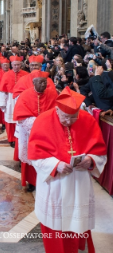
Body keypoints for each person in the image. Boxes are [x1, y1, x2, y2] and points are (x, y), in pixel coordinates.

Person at [28, 87, 107, 253]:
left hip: (79, 182)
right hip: (55, 182)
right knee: (56, 226)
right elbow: (35, 155)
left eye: (73, 117)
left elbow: (100, 151)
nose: (69, 122)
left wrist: (90, 160)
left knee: (78, 222)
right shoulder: (43, 121)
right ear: (57, 109)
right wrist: (56, 165)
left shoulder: (87, 119)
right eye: (65, 117)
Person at [13, 71, 58, 192]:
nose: (43, 85)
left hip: (48, 133)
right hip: (29, 133)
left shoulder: (52, 94)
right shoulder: (25, 95)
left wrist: (45, 123)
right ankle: (32, 182)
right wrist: (38, 123)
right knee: (30, 157)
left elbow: (57, 112)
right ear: (33, 83)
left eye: (45, 82)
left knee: (46, 158)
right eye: (40, 82)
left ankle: (46, 180)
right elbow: (21, 117)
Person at [0, 56, 29, 148]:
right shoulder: (6, 75)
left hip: (22, 99)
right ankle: (11, 139)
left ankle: (18, 139)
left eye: (18, 65)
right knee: (10, 121)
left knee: (20, 121)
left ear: (21, 65)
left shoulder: (26, 74)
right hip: (10, 99)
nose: (16, 67)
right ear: (11, 65)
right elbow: (3, 90)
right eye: (15, 65)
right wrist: (2, 103)